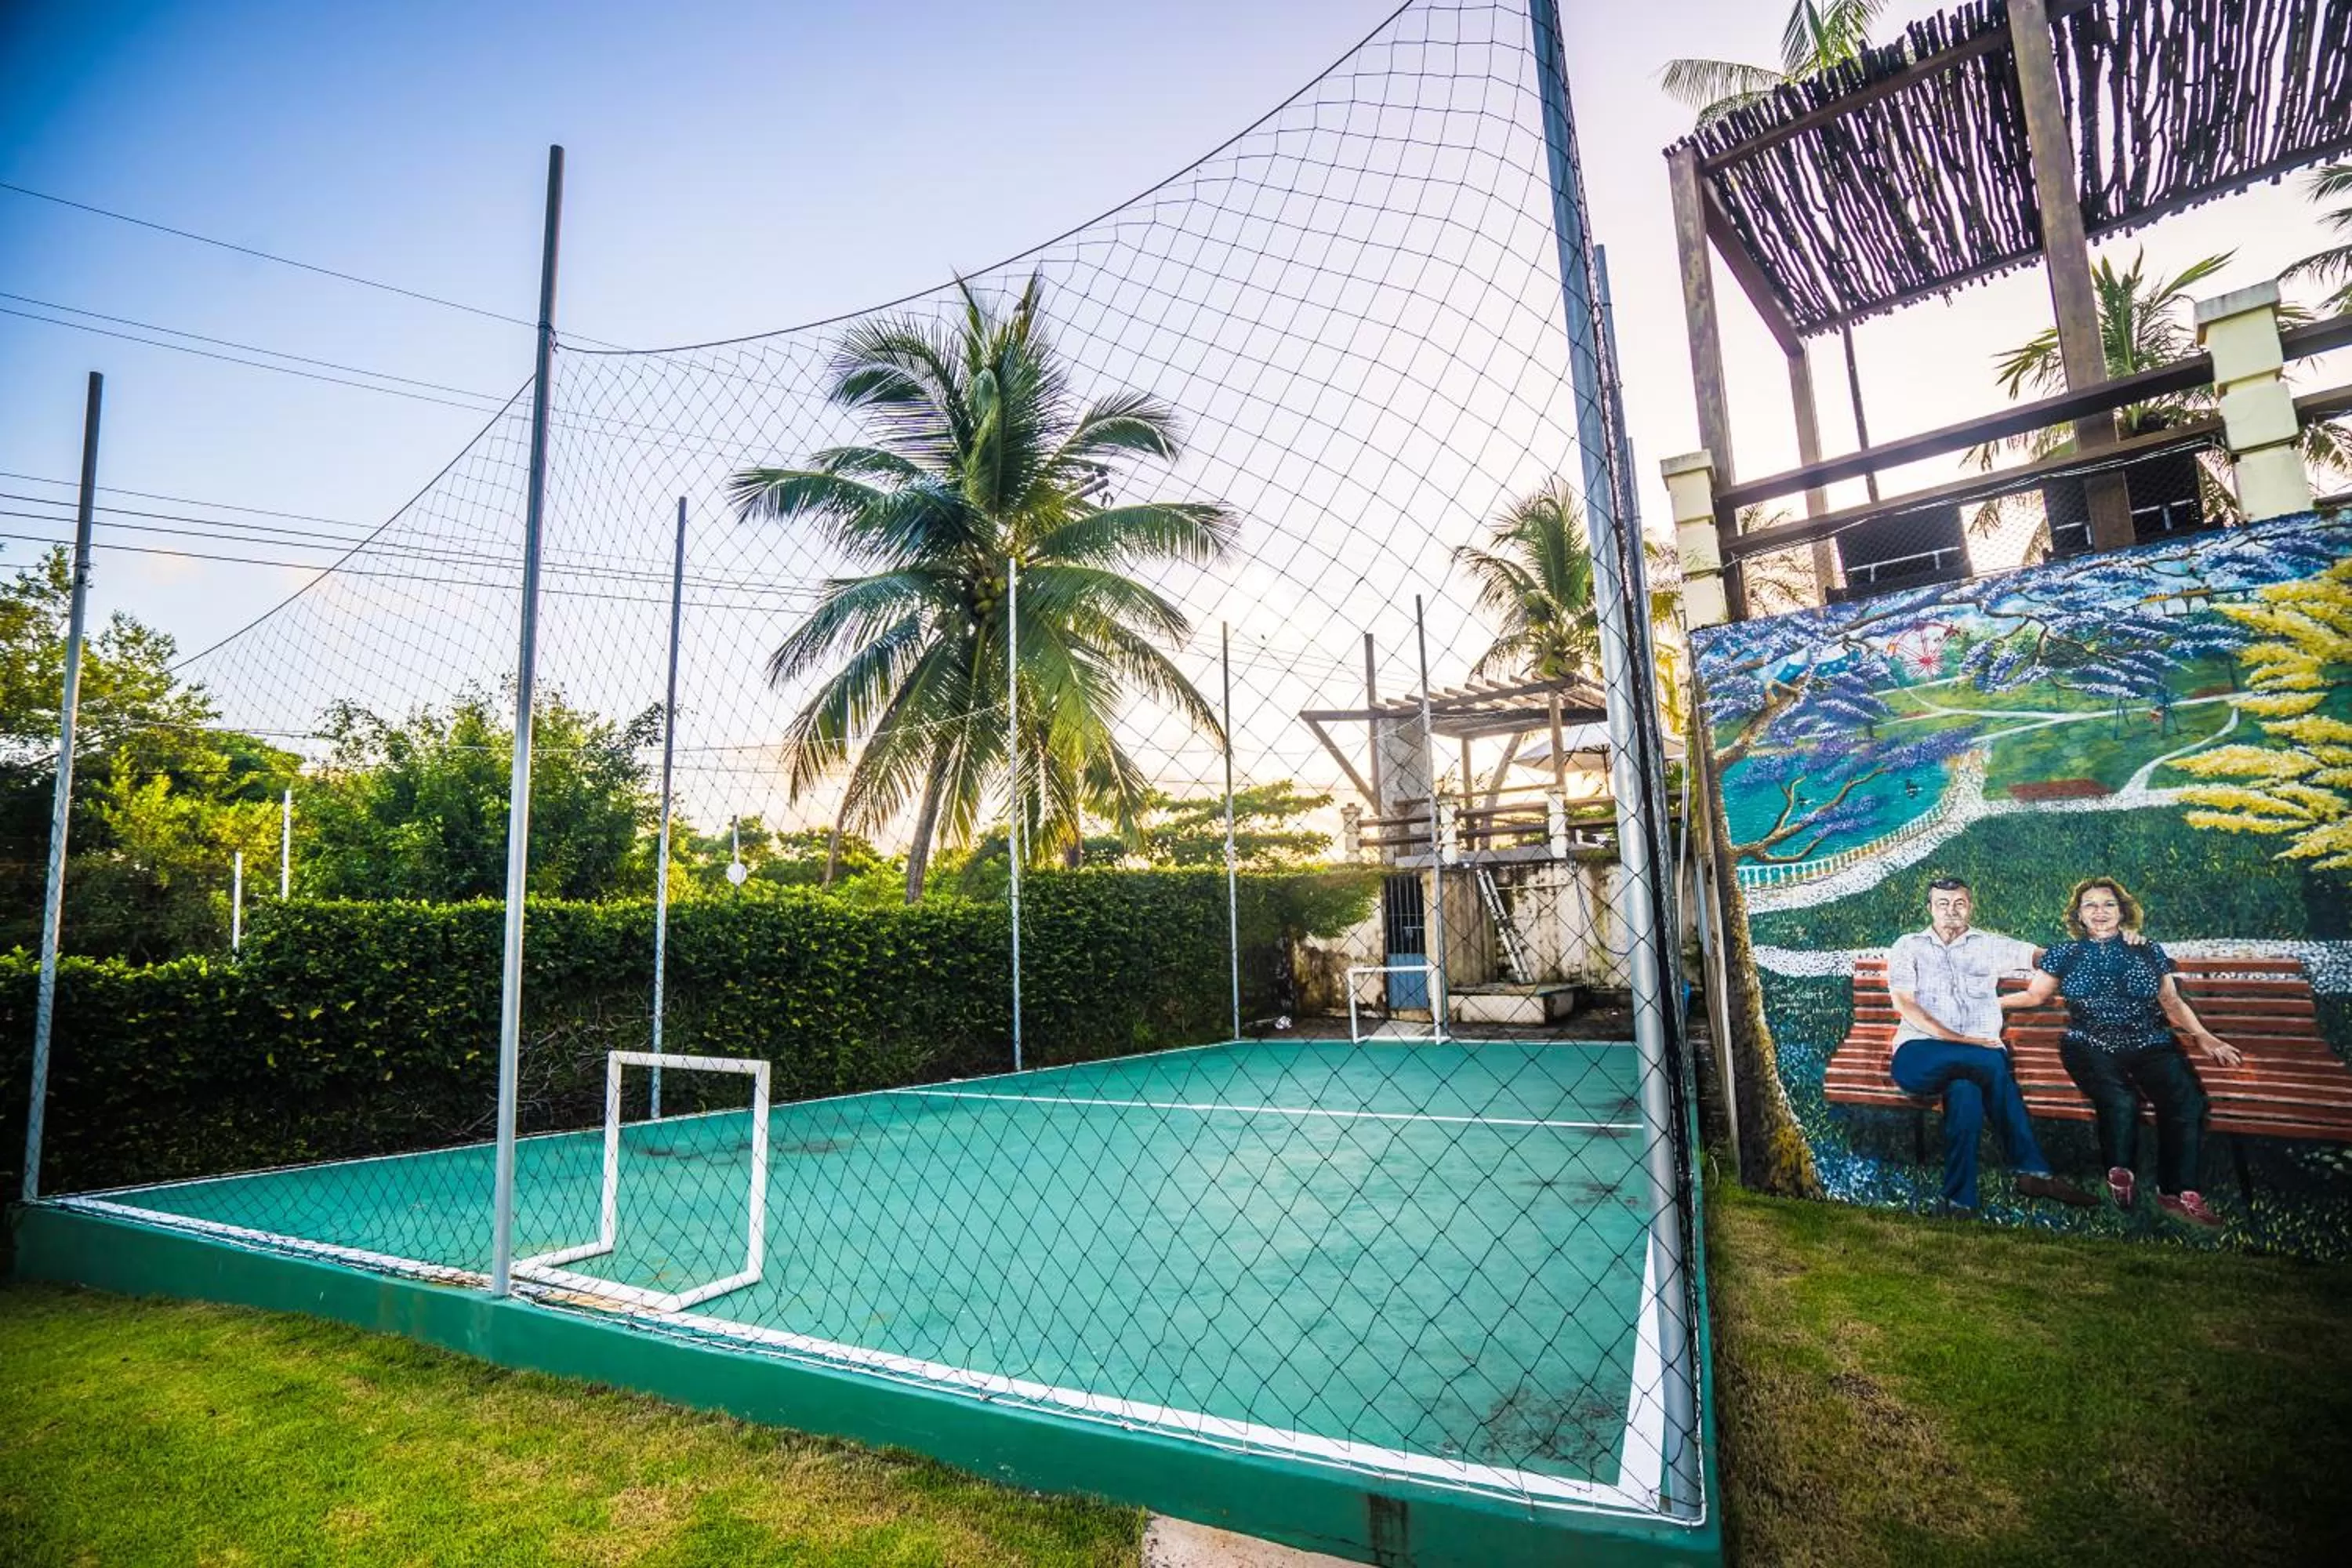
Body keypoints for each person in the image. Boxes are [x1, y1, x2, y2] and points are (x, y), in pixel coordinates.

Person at [2006, 877, 2244, 1229]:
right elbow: (2033, 997)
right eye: (2091, 906)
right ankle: (2120, 1173)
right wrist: (1980, 1002)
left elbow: (2171, 1001)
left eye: (2108, 905)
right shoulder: (2065, 952)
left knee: (2185, 1101)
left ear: (2122, 912)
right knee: (2120, 1100)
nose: (2100, 912)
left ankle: (2178, 1192)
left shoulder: (2146, 949)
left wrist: (2203, 1036)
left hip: (2149, 1042)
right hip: (2089, 1044)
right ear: (2079, 915)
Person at [1884, 877, 2096, 1214]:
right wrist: (1959, 1040)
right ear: (1930, 909)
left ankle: (1959, 1200)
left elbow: (2042, 956)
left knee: (1966, 1092)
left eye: (1959, 904)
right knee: (1990, 1062)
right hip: (1919, 1054)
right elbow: (1905, 1004)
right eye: (1942, 904)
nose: (1951, 911)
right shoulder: (1908, 946)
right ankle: (2032, 1172)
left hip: (1978, 1060)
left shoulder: (1989, 945)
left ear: (1970, 906)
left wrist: (2107, 946)